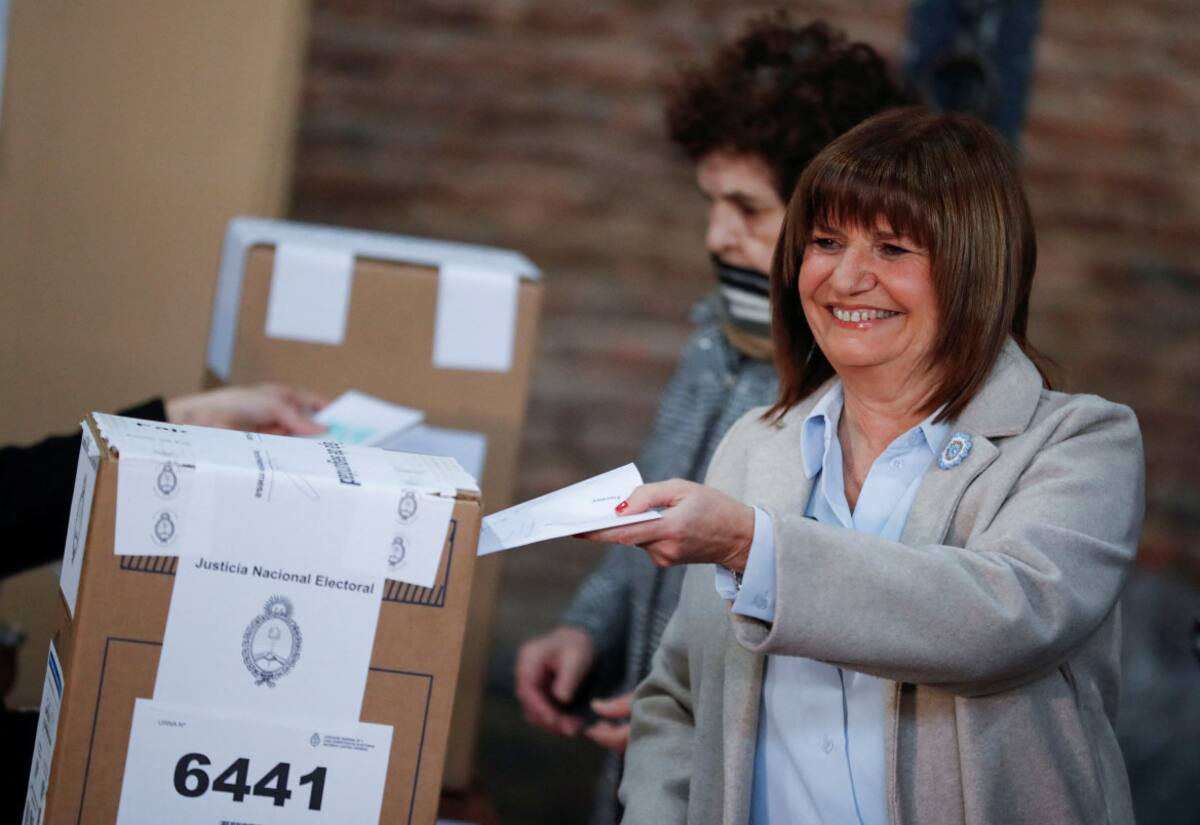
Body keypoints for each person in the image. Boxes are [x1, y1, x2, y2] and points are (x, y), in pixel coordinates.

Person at [584, 108, 1143, 824]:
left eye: (892, 248)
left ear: (977, 266)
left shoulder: (1078, 442)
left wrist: (751, 544)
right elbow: (678, 697)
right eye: (825, 241)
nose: (847, 277)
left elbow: (1003, 616)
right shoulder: (755, 443)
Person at [514, 15, 911, 823]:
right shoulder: (713, 339)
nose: (716, 235)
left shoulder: (865, 399)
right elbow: (651, 516)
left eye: (747, 208)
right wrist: (588, 631)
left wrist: (695, 708)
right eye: (710, 202)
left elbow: (864, 609)